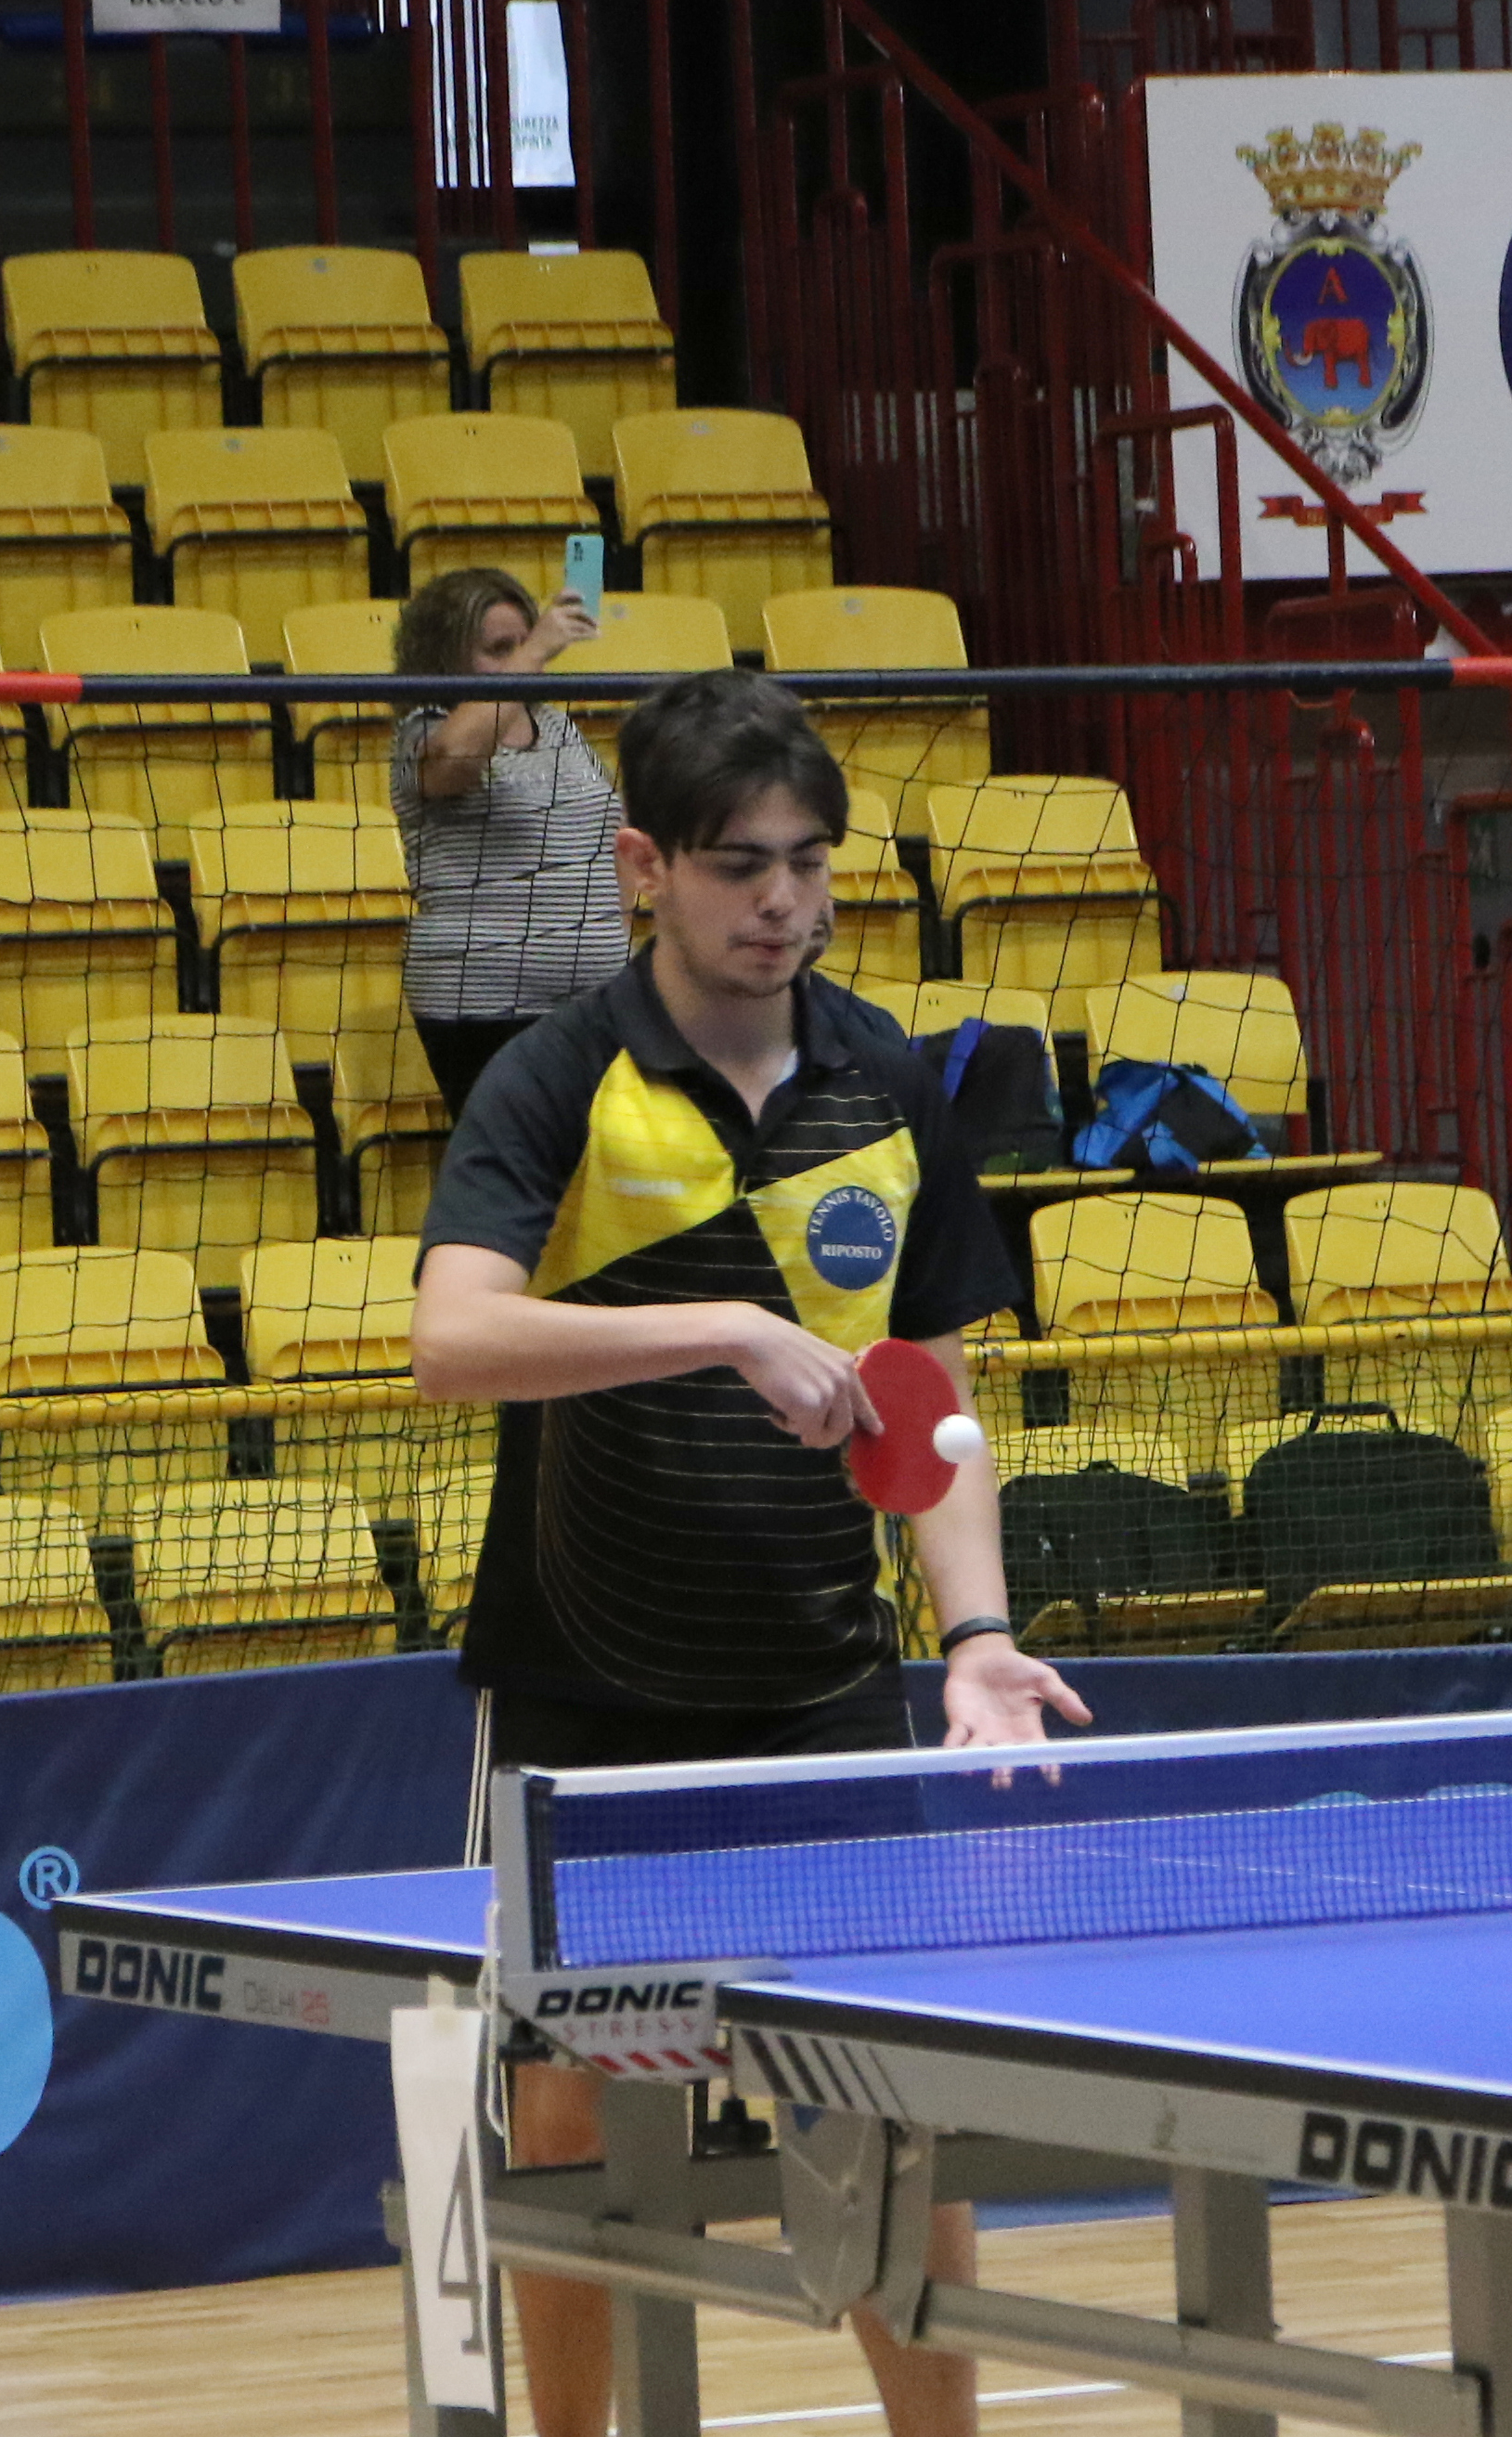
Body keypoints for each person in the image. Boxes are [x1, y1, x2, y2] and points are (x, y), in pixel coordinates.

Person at [410, 667, 1086, 2437]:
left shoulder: (886, 1080)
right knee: (573, 2111)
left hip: (813, 1682)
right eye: (738, 865)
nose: (781, 901)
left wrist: (975, 1635)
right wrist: (720, 1324)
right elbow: (452, 1340)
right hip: (585, 1680)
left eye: (807, 861)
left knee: (875, 2104)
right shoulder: (559, 1078)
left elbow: (929, 1402)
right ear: (645, 867)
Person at [390, 565, 627, 1116]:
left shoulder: (556, 726)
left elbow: (611, 828)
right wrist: (536, 651)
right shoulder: (422, 729)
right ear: (444, 656)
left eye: (525, 643)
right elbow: (452, 762)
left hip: (596, 1003)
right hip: (487, 1007)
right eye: (501, 649)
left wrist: (612, 931)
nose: (524, 660)